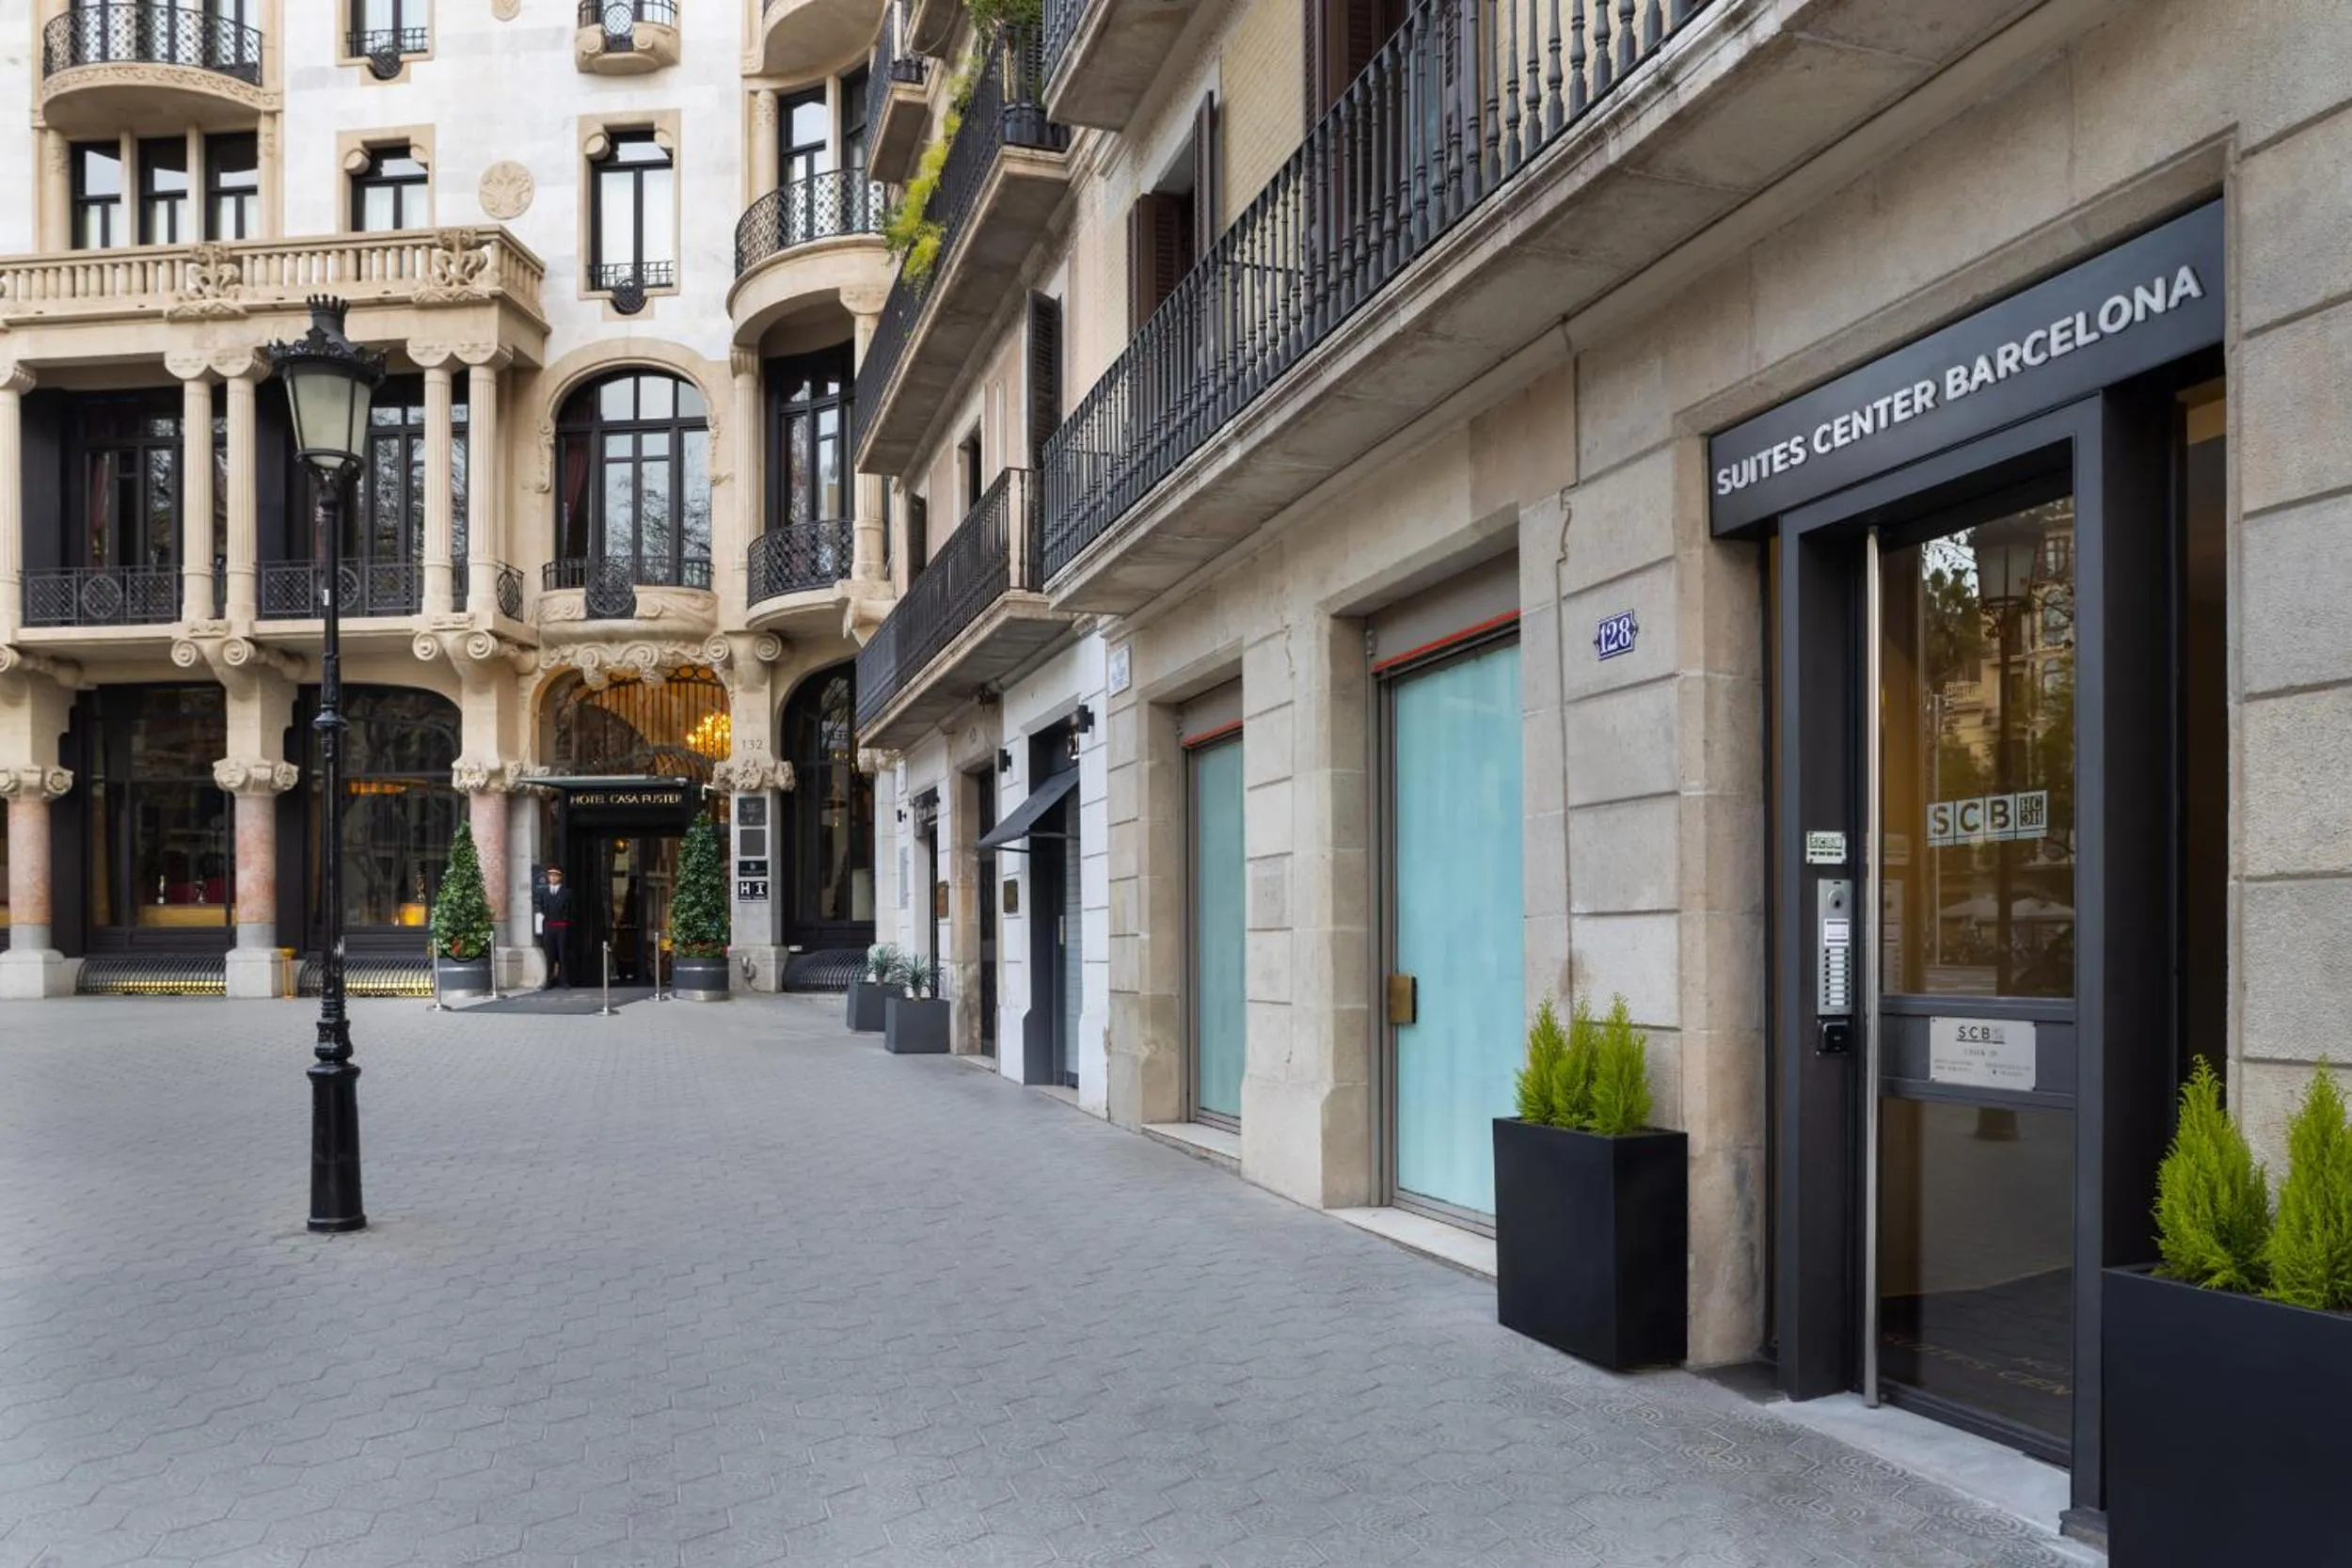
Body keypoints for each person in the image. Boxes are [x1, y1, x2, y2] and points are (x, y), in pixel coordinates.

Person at [536, 866, 575, 989]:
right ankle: (549, 981)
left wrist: (566, 921)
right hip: (549, 926)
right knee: (550, 955)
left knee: (563, 954)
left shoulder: (567, 893)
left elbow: (571, 910)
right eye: (551, 875)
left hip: (562, 926)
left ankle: (564, 980)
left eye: (555, 875)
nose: (553, 878)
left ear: (560, 877)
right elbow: (541, 908)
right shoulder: (544, 892)